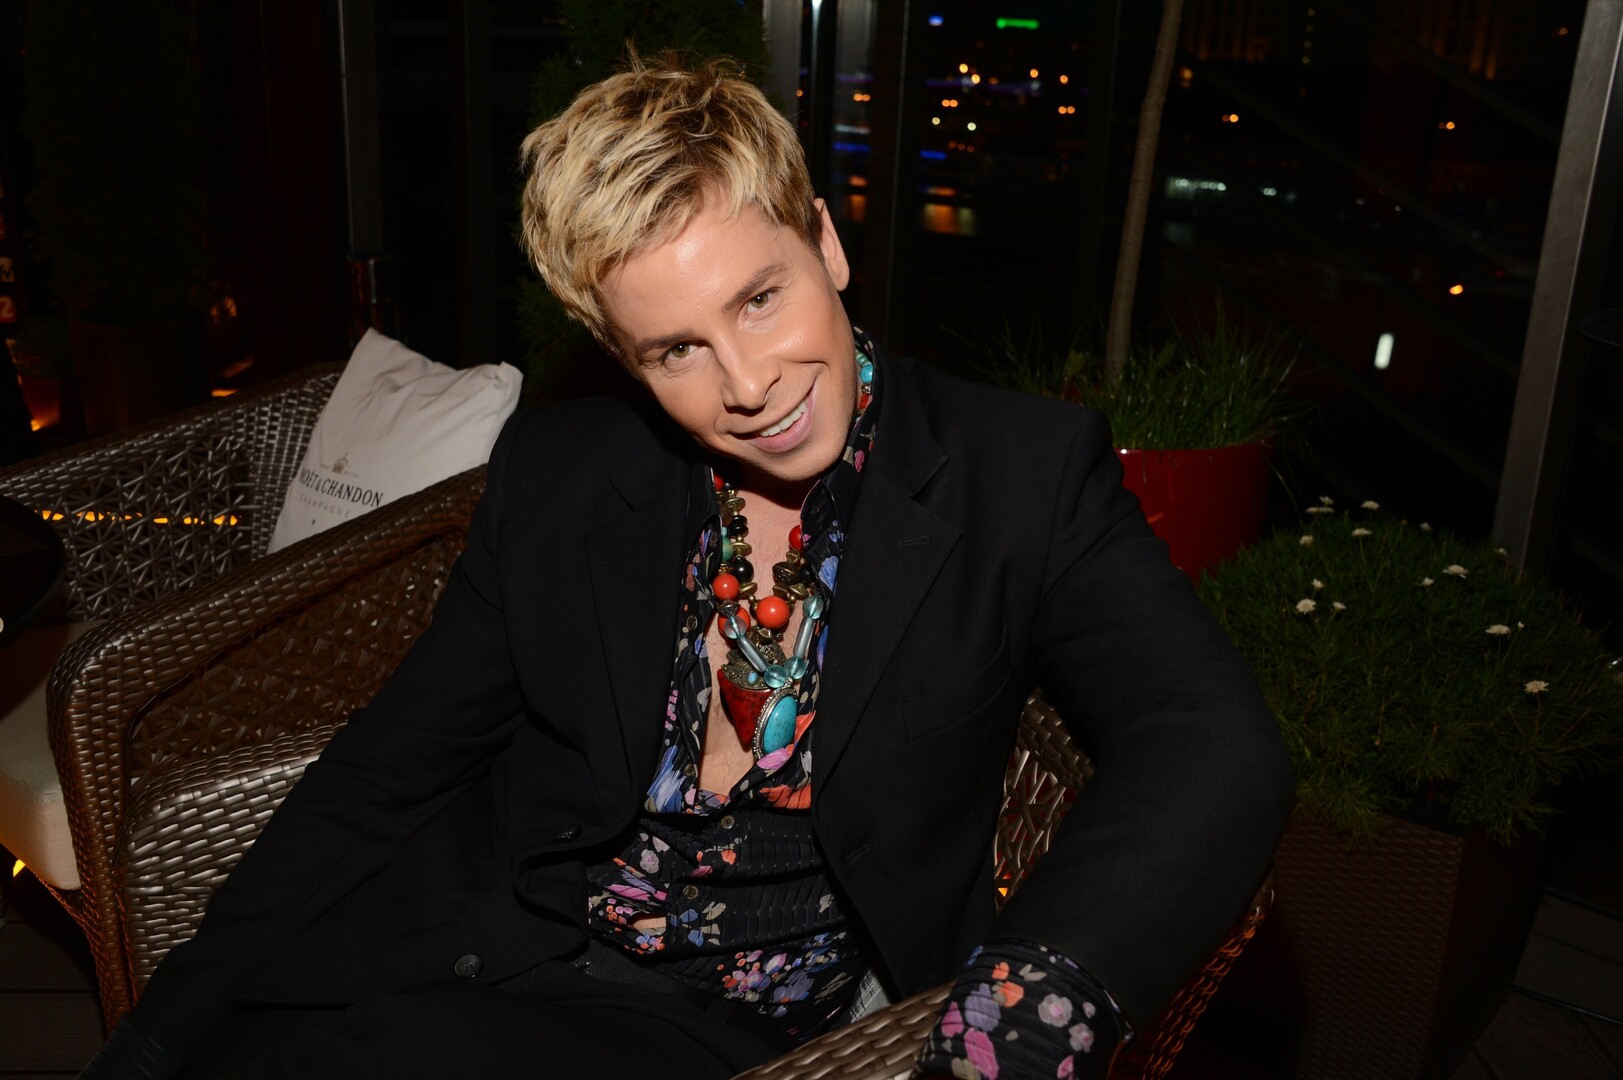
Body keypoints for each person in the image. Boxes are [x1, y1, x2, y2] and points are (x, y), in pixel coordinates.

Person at [84, 55, 1292, 1080]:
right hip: (472, 950)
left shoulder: (1016, 472)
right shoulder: (563, 473)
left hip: (707, 1031)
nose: (749, 384)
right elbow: (387, 770)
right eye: (677, 350)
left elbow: (1210, 739)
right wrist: (159, 1030)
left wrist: (1030, 1007)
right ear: (624, 359)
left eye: (760, 298)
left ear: (824, 240)